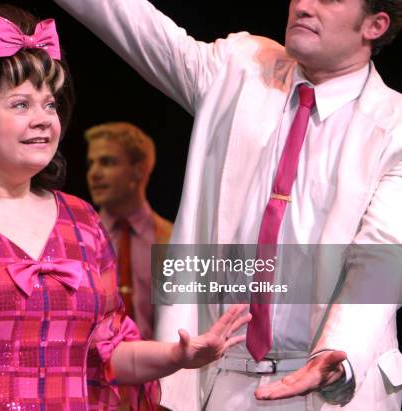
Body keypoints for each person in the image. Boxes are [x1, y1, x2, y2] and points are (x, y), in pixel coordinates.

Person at [0, 4, 251, 410]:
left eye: (50, 103)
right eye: (20, 104)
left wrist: (179, 357)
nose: (44, 120)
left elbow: (108, 353)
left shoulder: (82, 220)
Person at [52, 0, 402, 410]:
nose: (303, 6)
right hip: (222, 380)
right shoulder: (240, 67)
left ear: (374, 25)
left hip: (329, 387)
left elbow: (381, 258)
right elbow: (138, 26)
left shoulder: (395, 125)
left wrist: (335, 354)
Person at [86, 122, 172, 339]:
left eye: (107, 162)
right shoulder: (79, 240)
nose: (94, 173)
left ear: (139, 169)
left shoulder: (173, 239)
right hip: (94, 369)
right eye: (91, 163)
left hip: (162, 367)